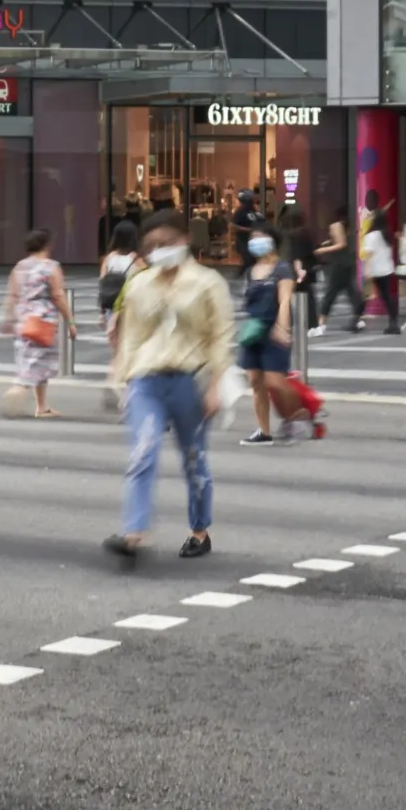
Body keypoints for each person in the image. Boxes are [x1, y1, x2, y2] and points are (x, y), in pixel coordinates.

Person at [104, 211, 233, 565]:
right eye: (151, 246)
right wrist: (123, 380)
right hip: (147, 379)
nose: (158, 250)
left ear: (184, 240)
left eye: (165, 243)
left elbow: (220, 336)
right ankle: (133, 534)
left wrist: (215, 385)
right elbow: (131, 335)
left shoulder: (207, 283)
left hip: (190, 379)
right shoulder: (140, 283)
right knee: (142, 451)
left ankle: (199, 530)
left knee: (194, 461)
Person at [2, 230, 76, 418]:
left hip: (23, 319)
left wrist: (8, 318)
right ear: (46, 245)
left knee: (32, 360)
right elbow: (58, 295)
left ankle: (41, 406)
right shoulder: (51, 267)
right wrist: (70, 321)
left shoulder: (19, 267)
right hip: (43, 321)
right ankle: (18, 389)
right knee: (39, 362)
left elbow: (12, 294)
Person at [236, 226, 297, 445]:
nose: (255, 242)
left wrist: (282, 328)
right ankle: (264, 431)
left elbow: (285, 300)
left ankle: (299, 414)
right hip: (254, 331)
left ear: (272, 241)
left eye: (259, 237)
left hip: (273, 329)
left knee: (275, 381)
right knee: (255, 381)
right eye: (252, 238)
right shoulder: (251, 270)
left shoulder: (282, 268)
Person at [99, 219, 146, 415]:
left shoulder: (108, 259)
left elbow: (102, 286)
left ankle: (113, 380)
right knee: (131, 352)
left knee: (117, 352)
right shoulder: (137, 260)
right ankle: (123, 392)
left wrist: (102, 313)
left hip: (111, 309)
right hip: (129, 310)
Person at [313, 204, 361, 334]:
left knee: (331, 292)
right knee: (351, 292)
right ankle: (358, 318)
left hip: (339, 263)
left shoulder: (336, 225)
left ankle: (321, 323)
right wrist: (328, 243)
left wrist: (322, 250)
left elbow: (341, 244)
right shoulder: (347, 225)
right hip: (348, 262)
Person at [361, 202, 400, 335]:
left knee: (366, 294)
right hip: (387, 269)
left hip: (375, 270)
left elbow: (368, 255)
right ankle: (394, 322)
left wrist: (366, 270)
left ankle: (356, 319)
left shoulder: (370, 236)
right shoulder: (387, 234)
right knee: (387, 296)